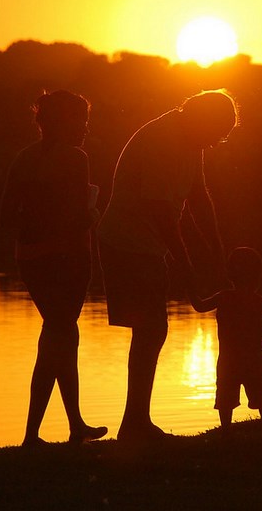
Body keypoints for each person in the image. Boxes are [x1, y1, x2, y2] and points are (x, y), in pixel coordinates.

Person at [97, 89, 238, 442]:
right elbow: (161, 214)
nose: (211, 144)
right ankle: (135, 425)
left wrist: (216, 249)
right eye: (213, 134)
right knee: (150, 329)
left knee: (151, 330)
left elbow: (198, 196)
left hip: (146, 243)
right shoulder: (164, 139)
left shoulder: (191, 137)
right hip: (127, 241)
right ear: (202, 119)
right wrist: (189, 270)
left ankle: (135, 422)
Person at [0, 90, 107, 447]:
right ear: (62, 121)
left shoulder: (23, 159)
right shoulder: (76, 159)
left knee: (60, 338)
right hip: (68, 260)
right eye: (81, 120)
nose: (86, 128)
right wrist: (94, 212)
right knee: (58, 340)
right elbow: (77, 218)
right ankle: (39, 433)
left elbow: (5, 217)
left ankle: (69, 426)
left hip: (30, 260)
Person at [188, 247, 262, 438]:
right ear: (257, 277)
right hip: (254, 360)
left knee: (226, 397)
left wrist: (190, 286)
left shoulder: (223, 297)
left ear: (230, 275)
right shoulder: (258, 302)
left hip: (229, 361)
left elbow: (199, 306)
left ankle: (226, 431)